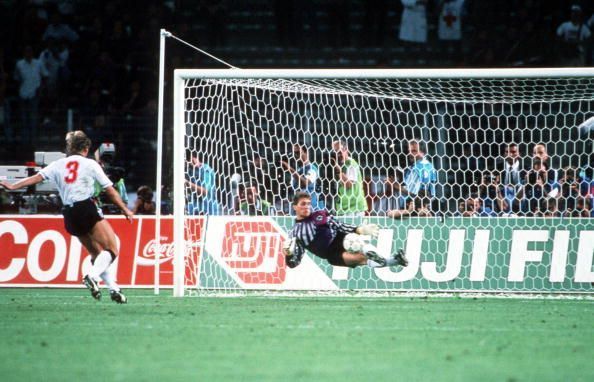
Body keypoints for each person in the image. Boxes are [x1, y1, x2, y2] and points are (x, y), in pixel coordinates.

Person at [0, 130, 132, 303]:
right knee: (112, 249)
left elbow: (36, 178)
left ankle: (114, 289)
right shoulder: (90, 164)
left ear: (70, 148)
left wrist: (12, 186)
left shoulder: (58, 164)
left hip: (69, 213)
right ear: (86, 148)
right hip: (86, 207)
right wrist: (124, 209)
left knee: (96, 254)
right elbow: (110, 189)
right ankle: (91, 276)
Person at [282, 191, 408, 269]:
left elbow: (339, 225)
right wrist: (288, 255)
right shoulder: (294, 233)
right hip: (330, 254)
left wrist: (359, 229)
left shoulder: (319, 215)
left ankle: (368, 249)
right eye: (303, 204)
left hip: (340, 239)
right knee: (361, 260)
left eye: (308, 203)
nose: (307, 206)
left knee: (352, 240)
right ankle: (395, 260)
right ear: (295, 207)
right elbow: (294, 263)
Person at [281, 143, 323, 212]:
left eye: (298, 152)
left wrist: (290, 169)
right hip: (299, 210)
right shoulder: (298, 170)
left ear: (306, 152)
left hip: (313, 210)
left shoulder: (312, 168)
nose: (296, 155)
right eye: (294, 153)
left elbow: (305, 183)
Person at [331, 140, 367, 216]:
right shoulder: (339, 165)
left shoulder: (351, 164)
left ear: (346, 150)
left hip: (354, 208)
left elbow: (349, 184)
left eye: (339, 152)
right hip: (343, 208)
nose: (338, 155)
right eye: (335, 153)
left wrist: (338, 170)